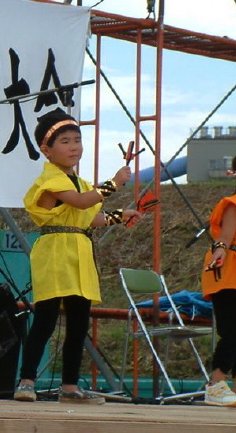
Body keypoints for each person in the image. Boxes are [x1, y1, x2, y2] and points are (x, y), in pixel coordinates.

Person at [13, 108, 141, 404]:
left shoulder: (81, 183)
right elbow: (83, 202)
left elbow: (90, 216)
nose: (74, 147)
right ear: (46, 150)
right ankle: (26, 381)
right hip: (56, 251)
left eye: (77, 140)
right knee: (45, 319)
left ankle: (69, 387)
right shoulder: (50, 180)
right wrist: (115, 182)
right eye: (66, 141)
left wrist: (121, 216)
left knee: (79, 322)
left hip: (79, 253)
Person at [200, 149, 236, 408]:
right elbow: (226, 237)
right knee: (235, 332)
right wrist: (219, 250)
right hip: (229, 271)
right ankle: (216, 385)